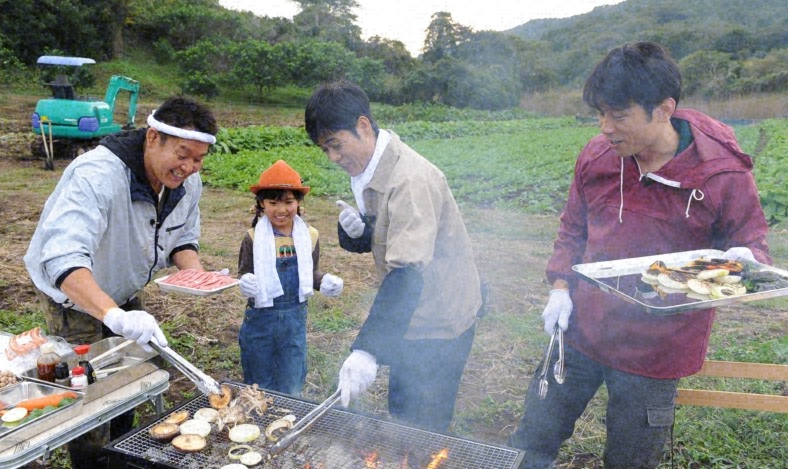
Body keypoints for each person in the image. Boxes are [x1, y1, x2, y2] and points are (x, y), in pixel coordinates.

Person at [507, 42, 770, 468]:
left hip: (656, 349)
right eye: (600, 114)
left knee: (630, 459)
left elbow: (753, 248)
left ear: (664, 110)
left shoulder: (721, 173)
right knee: (531, 439)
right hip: (583, 328)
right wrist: (560, 287)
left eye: (619, 115)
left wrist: (744, 258)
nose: (605, 128)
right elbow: (573, 229)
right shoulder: (598, 156)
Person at [24, 95, 218, 468]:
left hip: (124, 291)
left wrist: (196, 273)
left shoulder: (186, 184)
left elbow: (183, 238)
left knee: (129, 384)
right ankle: (92, 462)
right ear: (152, 137)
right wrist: (113, 315)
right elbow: (63, 258)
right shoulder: (97, 175)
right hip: (75, 297)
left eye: (199, 159)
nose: (189, 167)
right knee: (86, 398)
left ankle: (120, 455)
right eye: (182, 154)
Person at [304, 80, 483, 433]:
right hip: (411, 311)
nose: (333, 158)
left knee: (422, 424)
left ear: (363, 126)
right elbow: (390, 232)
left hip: (438, 317)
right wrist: (362, 232)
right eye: (325, 150)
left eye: (336, 145)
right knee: (402, 410)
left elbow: (407, 273)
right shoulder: (374, 167)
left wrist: (367, 349)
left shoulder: (410, 180)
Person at [236, 159, 344, 395]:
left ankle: (290, 415)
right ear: (261, 204)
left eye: (288, 202)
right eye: (273, 203)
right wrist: (245, 282)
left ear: (298, 202)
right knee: (258, 383)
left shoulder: (310, 236)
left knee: (292, 379)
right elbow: (244, 273)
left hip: (295, 320)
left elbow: (311, 273)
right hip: (260, 319)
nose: (281, 210)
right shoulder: (253, 238)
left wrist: (324, 281)